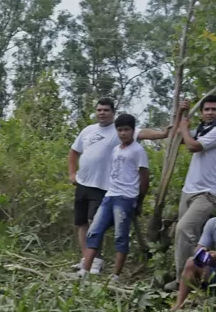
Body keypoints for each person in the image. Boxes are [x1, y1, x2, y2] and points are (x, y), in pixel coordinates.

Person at [69, 98, 165, 274]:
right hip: (84, 183)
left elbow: (144, 135)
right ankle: (85, 262)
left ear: (113, 112)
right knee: (82, 223)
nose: (102, 113)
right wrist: (72, 173)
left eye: (106, 110)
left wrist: (164, 133)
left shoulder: (125, 137)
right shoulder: (89, 131)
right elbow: (74, 151)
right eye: (99, 110)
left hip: (105, 188)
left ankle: (102, 265)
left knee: (101, 225)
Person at [165, 96, 216, 291]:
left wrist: (186, 128)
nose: (210, 112)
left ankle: (200, 277)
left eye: (214, 109)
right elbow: (177, 136)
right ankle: (185, 279)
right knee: (185, 236)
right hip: (189, 190)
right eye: (206, 109)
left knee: (184, 230)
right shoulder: (204, 130)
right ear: (202, 113)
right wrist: (180, 113)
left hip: (208, 192)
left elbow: (192, 146)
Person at [78, 114, 149, 283]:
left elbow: (144, 177)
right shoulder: (116, 149)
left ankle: (116, 275)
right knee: (94, 230)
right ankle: (85, 270)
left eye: (127, 130)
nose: (123, 133)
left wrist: (139, 201)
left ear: (133, 130)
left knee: (120, 235)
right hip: (110, 194)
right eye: (120, 130)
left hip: (126, 197)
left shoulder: (138, 151)